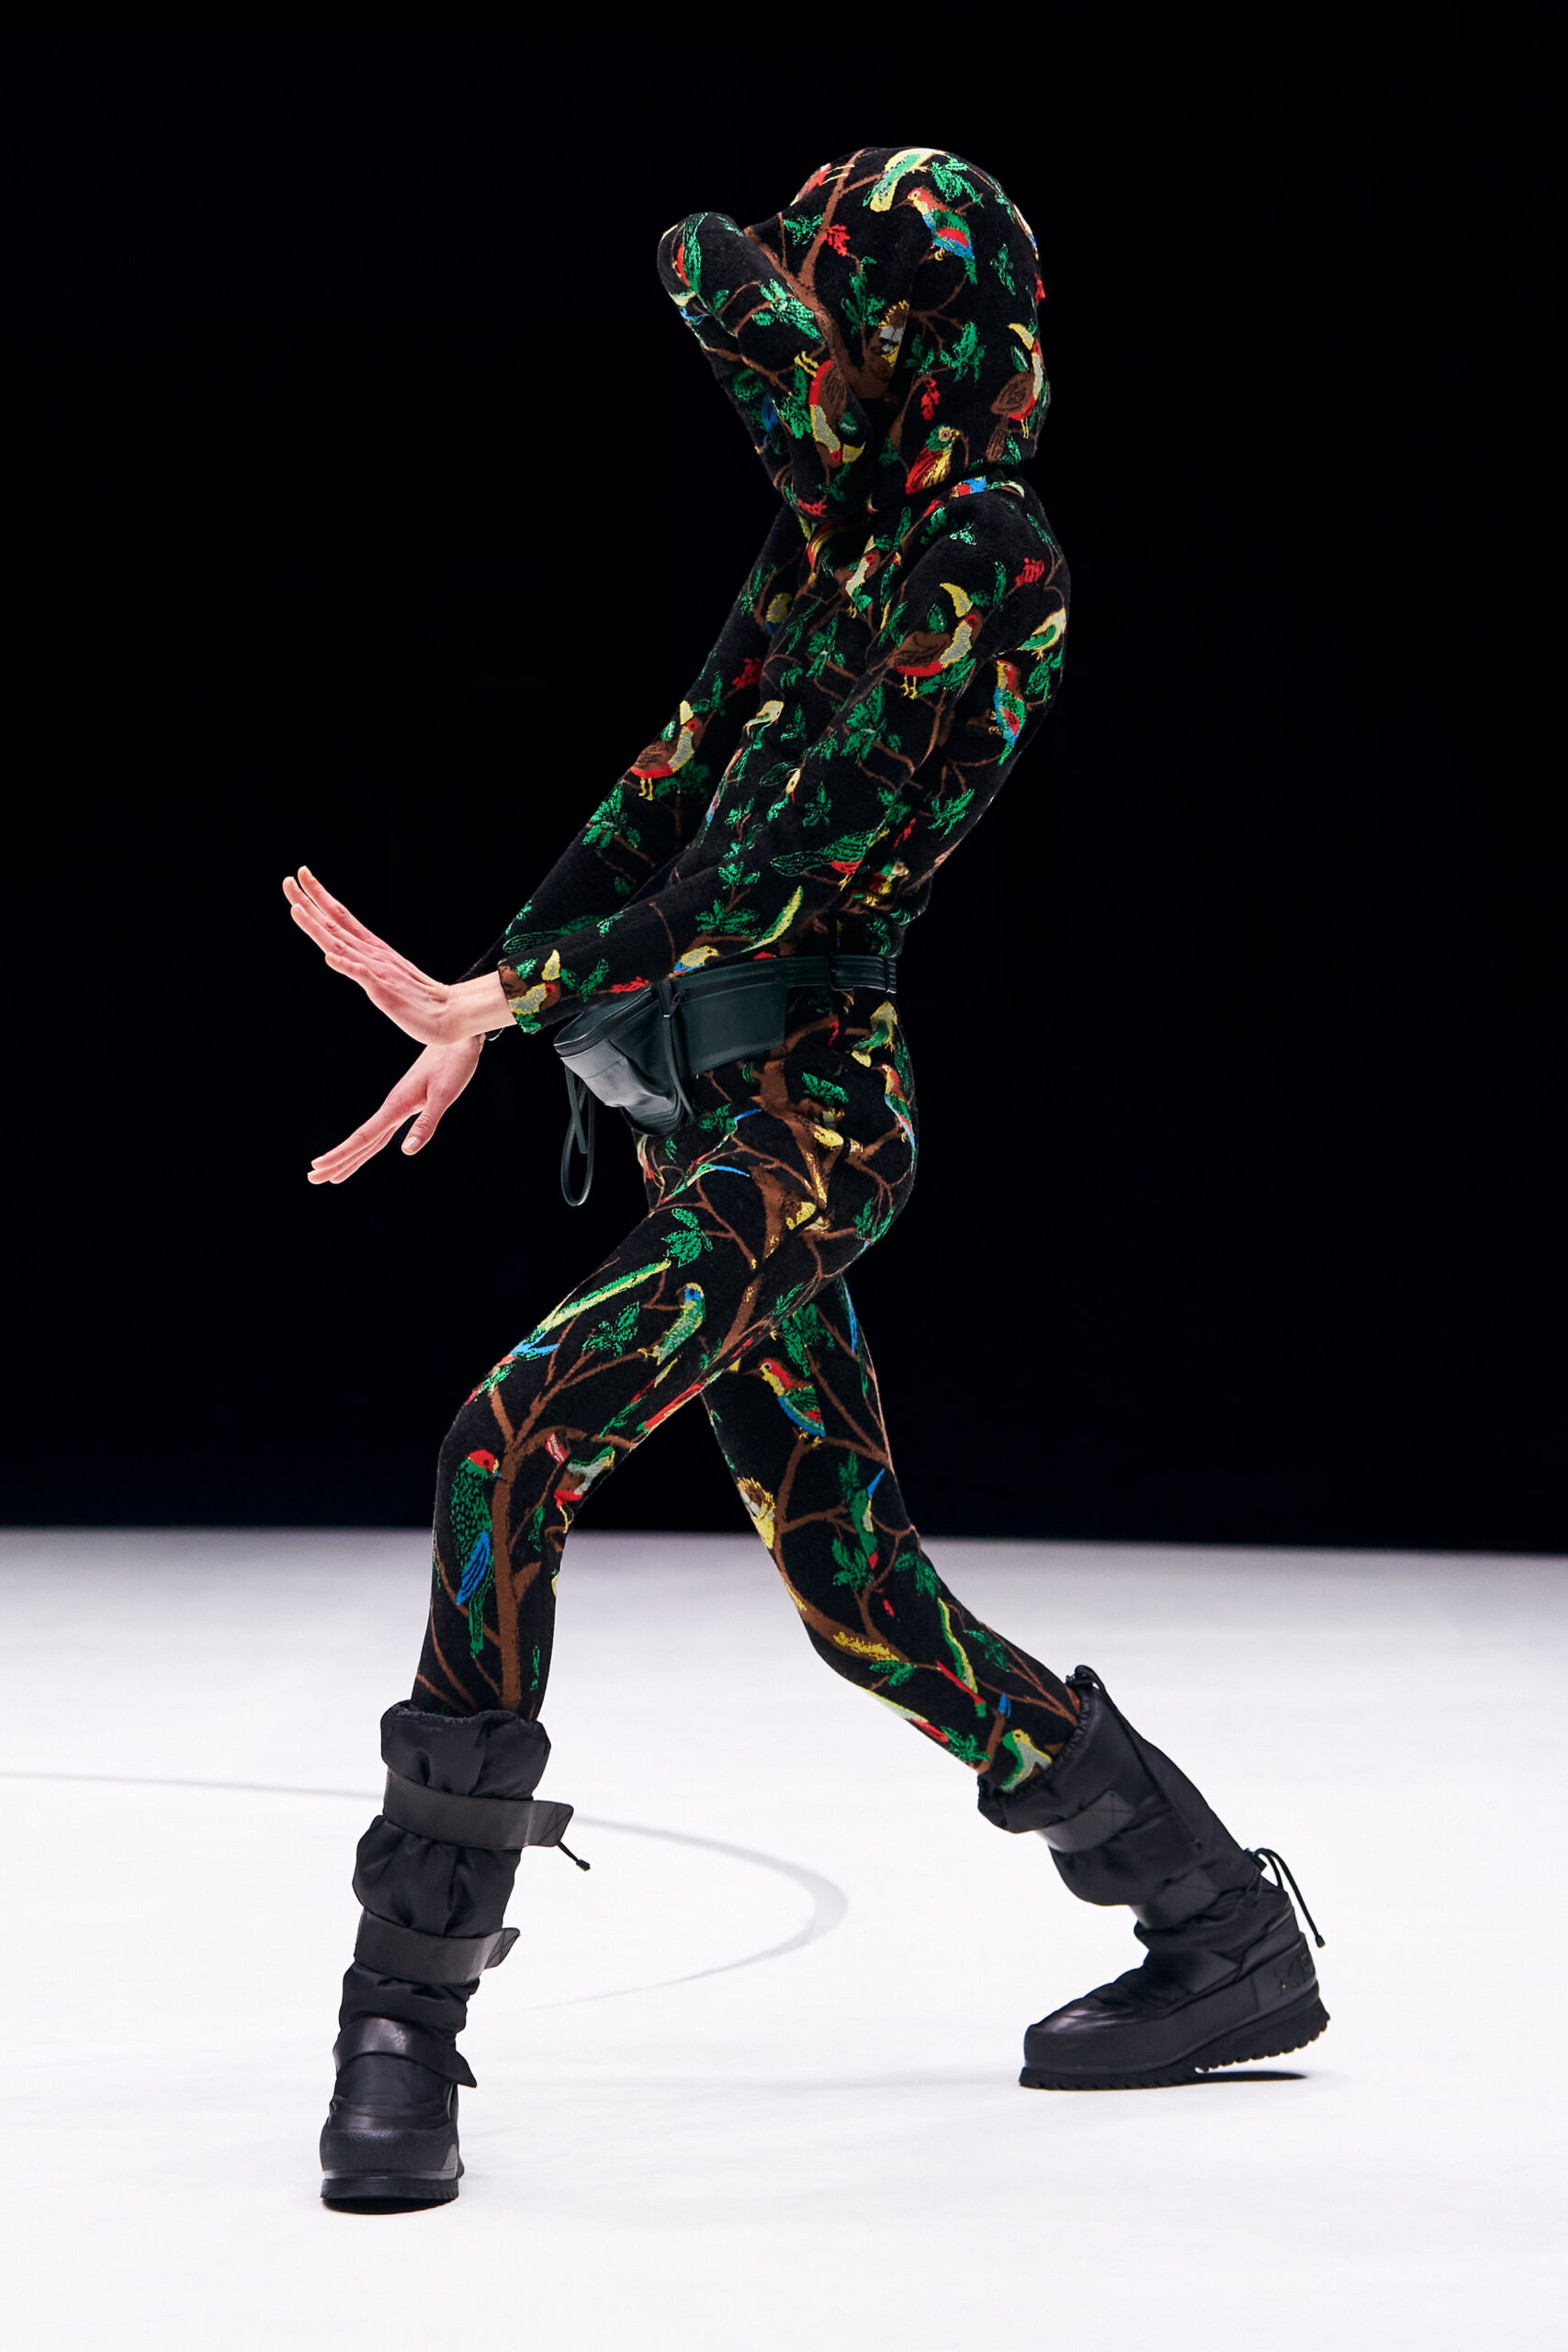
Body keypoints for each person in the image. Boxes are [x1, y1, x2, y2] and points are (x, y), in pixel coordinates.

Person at [285, 144, 1326, 2211]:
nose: (806, 364)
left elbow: (786, 861)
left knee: (507, 1439)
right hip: (707, 1115)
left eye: (839, 319)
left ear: (913, 338)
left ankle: (403, 2007)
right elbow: (671, 783)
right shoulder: (829, 542)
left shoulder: (992, 556)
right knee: (859, 1592)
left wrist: (518, 989)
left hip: (816, 1122)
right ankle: (1217, 1922)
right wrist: (486, 994)